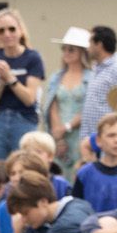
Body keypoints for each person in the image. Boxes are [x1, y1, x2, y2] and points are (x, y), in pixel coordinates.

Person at [0, 10, 46, 169]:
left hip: (24, 120)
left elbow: (29, 98)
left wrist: (10, 78)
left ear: (20, 31)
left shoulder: (32, 57)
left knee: (26, 171)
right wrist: (1, 82)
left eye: (12, 29)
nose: (7, 34)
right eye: (1, 30)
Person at [77, 26, 117, 153]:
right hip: (93, 141)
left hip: (109, 143)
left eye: (90, 43)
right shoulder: (96, 69)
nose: (87, 48)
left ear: (99, 44)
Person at [38, 27, 89, 160]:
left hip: (81, 133)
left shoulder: (91, 77)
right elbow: (53, 106)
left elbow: (88, 107)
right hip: (58, 134)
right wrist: (58, 135)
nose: (66, 52)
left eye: (71, 49)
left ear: (82, 52)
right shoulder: (57, 77)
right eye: (64, 48)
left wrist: (67, 127)